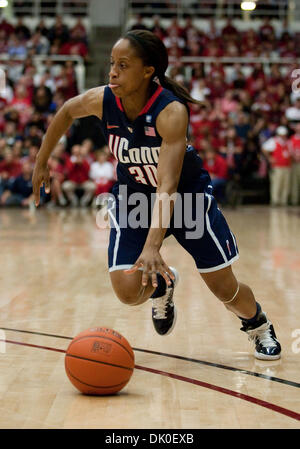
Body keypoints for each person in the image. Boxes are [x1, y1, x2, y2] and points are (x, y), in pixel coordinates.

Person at [32, 30, 281, 360]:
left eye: (123, 65)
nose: (113, 72)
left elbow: (167, 186)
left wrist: (153, 246)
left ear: (148, 71)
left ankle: (258, 325)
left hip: (185, 198)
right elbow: (65, 110)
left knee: (225, 288)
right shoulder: (103, 100)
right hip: (134, 196)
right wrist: (41, 161)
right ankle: (163, 286)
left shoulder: (171, 111)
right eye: (111, 64)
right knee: (127, 290)